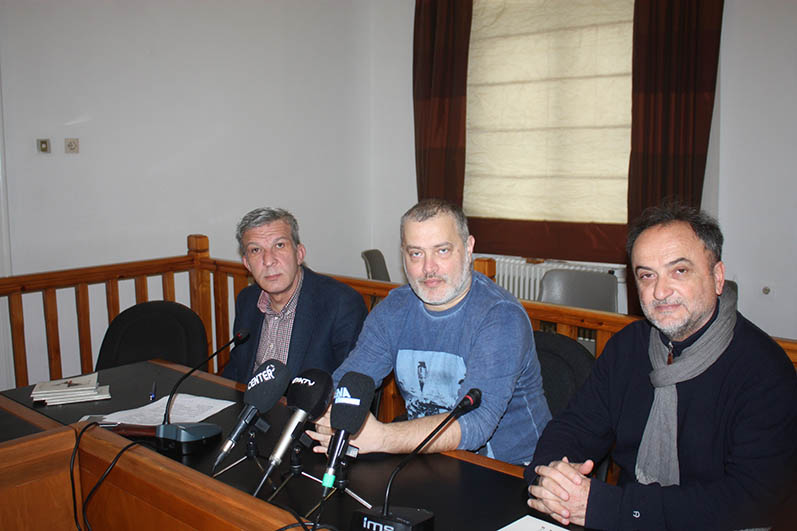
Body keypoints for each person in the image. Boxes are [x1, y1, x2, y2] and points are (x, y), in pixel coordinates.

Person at [526, 203, 797, 529]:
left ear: (717, 277)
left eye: (679, 271)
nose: (660, 291)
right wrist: (550, 476)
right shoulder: (627, 347)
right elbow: (576, 426)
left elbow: (751, 499)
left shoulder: (765, 371)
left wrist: (610, 507)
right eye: (647, 275)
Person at [308, 199, 551, 465]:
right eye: (416, 254)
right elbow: (346, 383)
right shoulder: (393, 311)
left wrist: (382, 437)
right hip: (433, 459)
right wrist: (328, 417)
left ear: (468, 247)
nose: (428, 268)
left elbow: (476, 423)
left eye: (442, 251)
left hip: (509, 471)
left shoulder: (501, 316)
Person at [222, 208, 367, 383]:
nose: (268, 261)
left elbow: (350, 384)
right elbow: (237, 369)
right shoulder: (247, 300)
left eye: (279, 245)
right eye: (255, 250)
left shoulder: (341, 304)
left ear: (299, 254)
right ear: (246, 263)